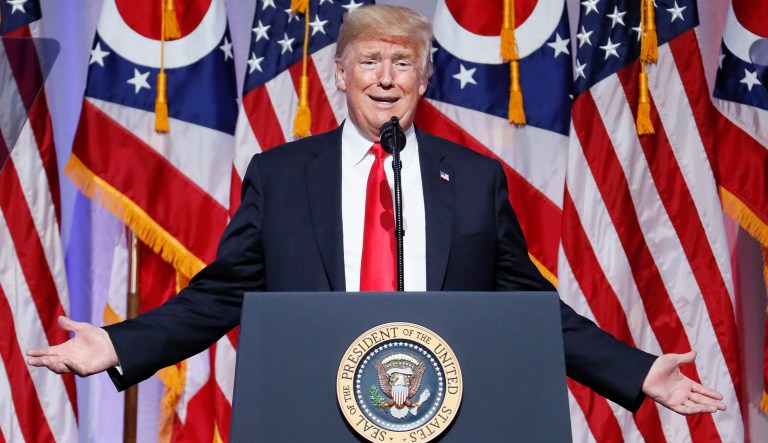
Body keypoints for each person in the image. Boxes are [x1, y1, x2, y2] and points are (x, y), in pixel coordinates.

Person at [28, 4, 726, 416]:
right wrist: (119, 345)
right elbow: (220, 294)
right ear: (339, 74)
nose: (385, 78)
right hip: (315, 414)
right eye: (368, 61)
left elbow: (532, 308)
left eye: (401, 63)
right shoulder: (281, 175)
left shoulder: (475, 180)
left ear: (425, 78)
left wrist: (637, 371)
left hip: (440, 414)